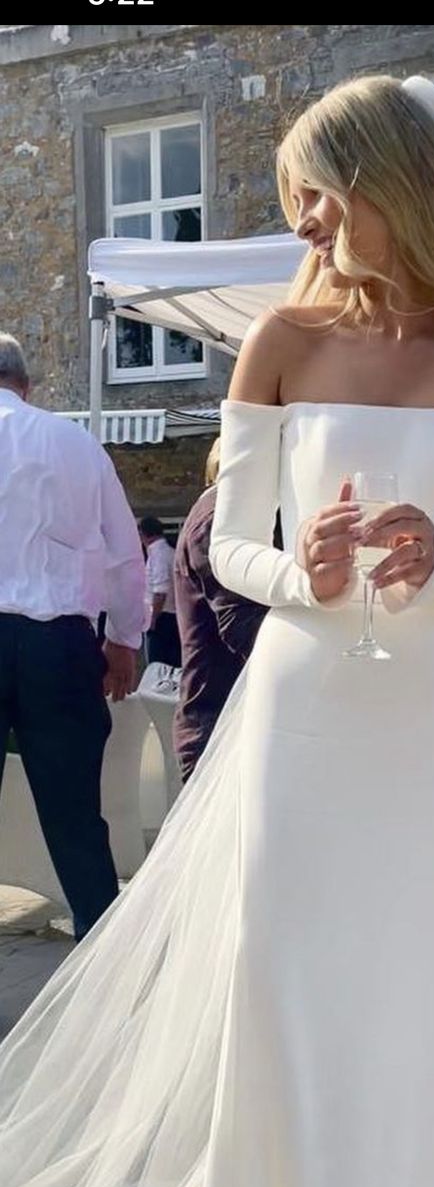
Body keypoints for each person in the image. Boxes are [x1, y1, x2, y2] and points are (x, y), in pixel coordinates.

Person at [0, 76, 434, 1187]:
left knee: (422, 1032)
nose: (304, 220)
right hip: (305, 729)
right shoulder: (282, 338)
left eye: (322, 191)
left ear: (401, 183)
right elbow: (231, 548)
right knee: (293, 1025)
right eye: (291, 198)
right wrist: (300, 569)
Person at [0, 334, 146, 941]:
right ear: (26, 385)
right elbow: (123, 554)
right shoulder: (75, 443)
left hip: (47, 634)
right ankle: (97, 957)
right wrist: (124, 638)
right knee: (75, 817)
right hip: (57, 644)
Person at [173, 437, 270, 782]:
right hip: (220, 727)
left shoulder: (223, 517)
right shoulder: (217, 521)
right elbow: (243, 626)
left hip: (225, 721)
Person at [139, 515, 182, 668]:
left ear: (143, 535)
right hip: (173, 616)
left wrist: (152, 621)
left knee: (156, 668)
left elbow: (160, 592)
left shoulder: (158, 555)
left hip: (161, 618)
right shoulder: (171, 552)